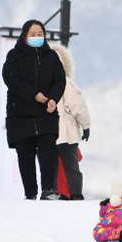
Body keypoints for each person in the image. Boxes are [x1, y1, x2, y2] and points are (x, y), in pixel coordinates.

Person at [3, 20, 66, 200]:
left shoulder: (52, 56)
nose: (37, 37)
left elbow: (59, 80)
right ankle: (30, 193)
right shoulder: (14, 55)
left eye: (40, 34)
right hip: (20, 115)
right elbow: (11, 79)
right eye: (33, 34)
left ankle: (48, 190)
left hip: (46, 113)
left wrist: (53, 98)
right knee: (25, 155)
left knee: (48, 151)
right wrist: (33, 94)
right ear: (24, 36)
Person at [50, 45, 91, 201]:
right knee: (71, 168)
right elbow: (78, 106)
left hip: (48, 135)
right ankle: (75, 195)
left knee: (51, 168)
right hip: (67, 135)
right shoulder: (66, 83)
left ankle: (52, 193)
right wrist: (86, 126)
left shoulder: (40, 86)